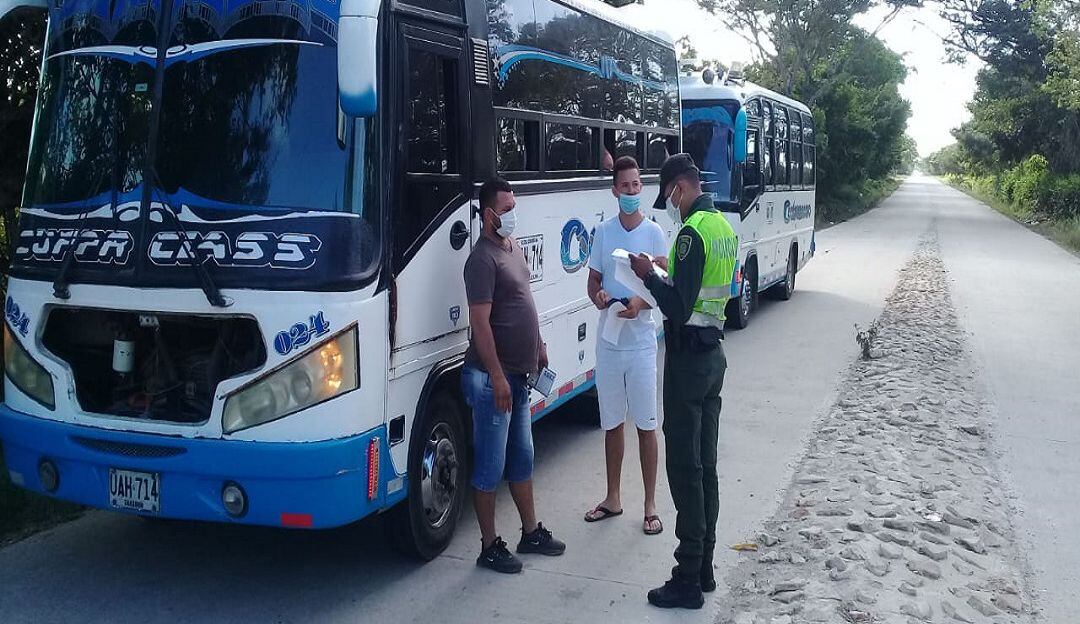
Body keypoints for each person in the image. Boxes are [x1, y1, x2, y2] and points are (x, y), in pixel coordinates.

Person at [630, 154, 738, 609]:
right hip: (713, 357)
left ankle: (687, 575)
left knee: (684, 468)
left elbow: (677, 306)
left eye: (669, 195)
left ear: (678, 188)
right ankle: (706, 567)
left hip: (689, 364)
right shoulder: (724, 228)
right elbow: (709, 294)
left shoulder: (693, 234)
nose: (669, 204)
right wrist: (663, 274)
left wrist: (647, 277)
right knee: (706, 467)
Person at [462, 176, 566, 574]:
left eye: (513, 206)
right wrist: (498, 377)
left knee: (523, 458)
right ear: (489, 215)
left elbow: (526, 301)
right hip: (495, 381)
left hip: (520, 376)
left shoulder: (513, 248)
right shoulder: (481, 260)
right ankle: (489, 545)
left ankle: (530, 531)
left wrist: (538, 344)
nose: (512, 214)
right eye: (506, 210)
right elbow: (480, 324)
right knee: (490, 464)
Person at [583, 156, 668, 536]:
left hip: (641, 344)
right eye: (626, 186)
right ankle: (613, 497)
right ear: (614, 190)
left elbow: (664, 287)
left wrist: (641, 303)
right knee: (611, 423)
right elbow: (592, 280)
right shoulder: (603, 232)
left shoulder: (654, 233)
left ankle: (650, 504)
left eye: (637, 185)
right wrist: (599, 297)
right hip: (609, 342)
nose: (632, 192)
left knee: (647, 425)